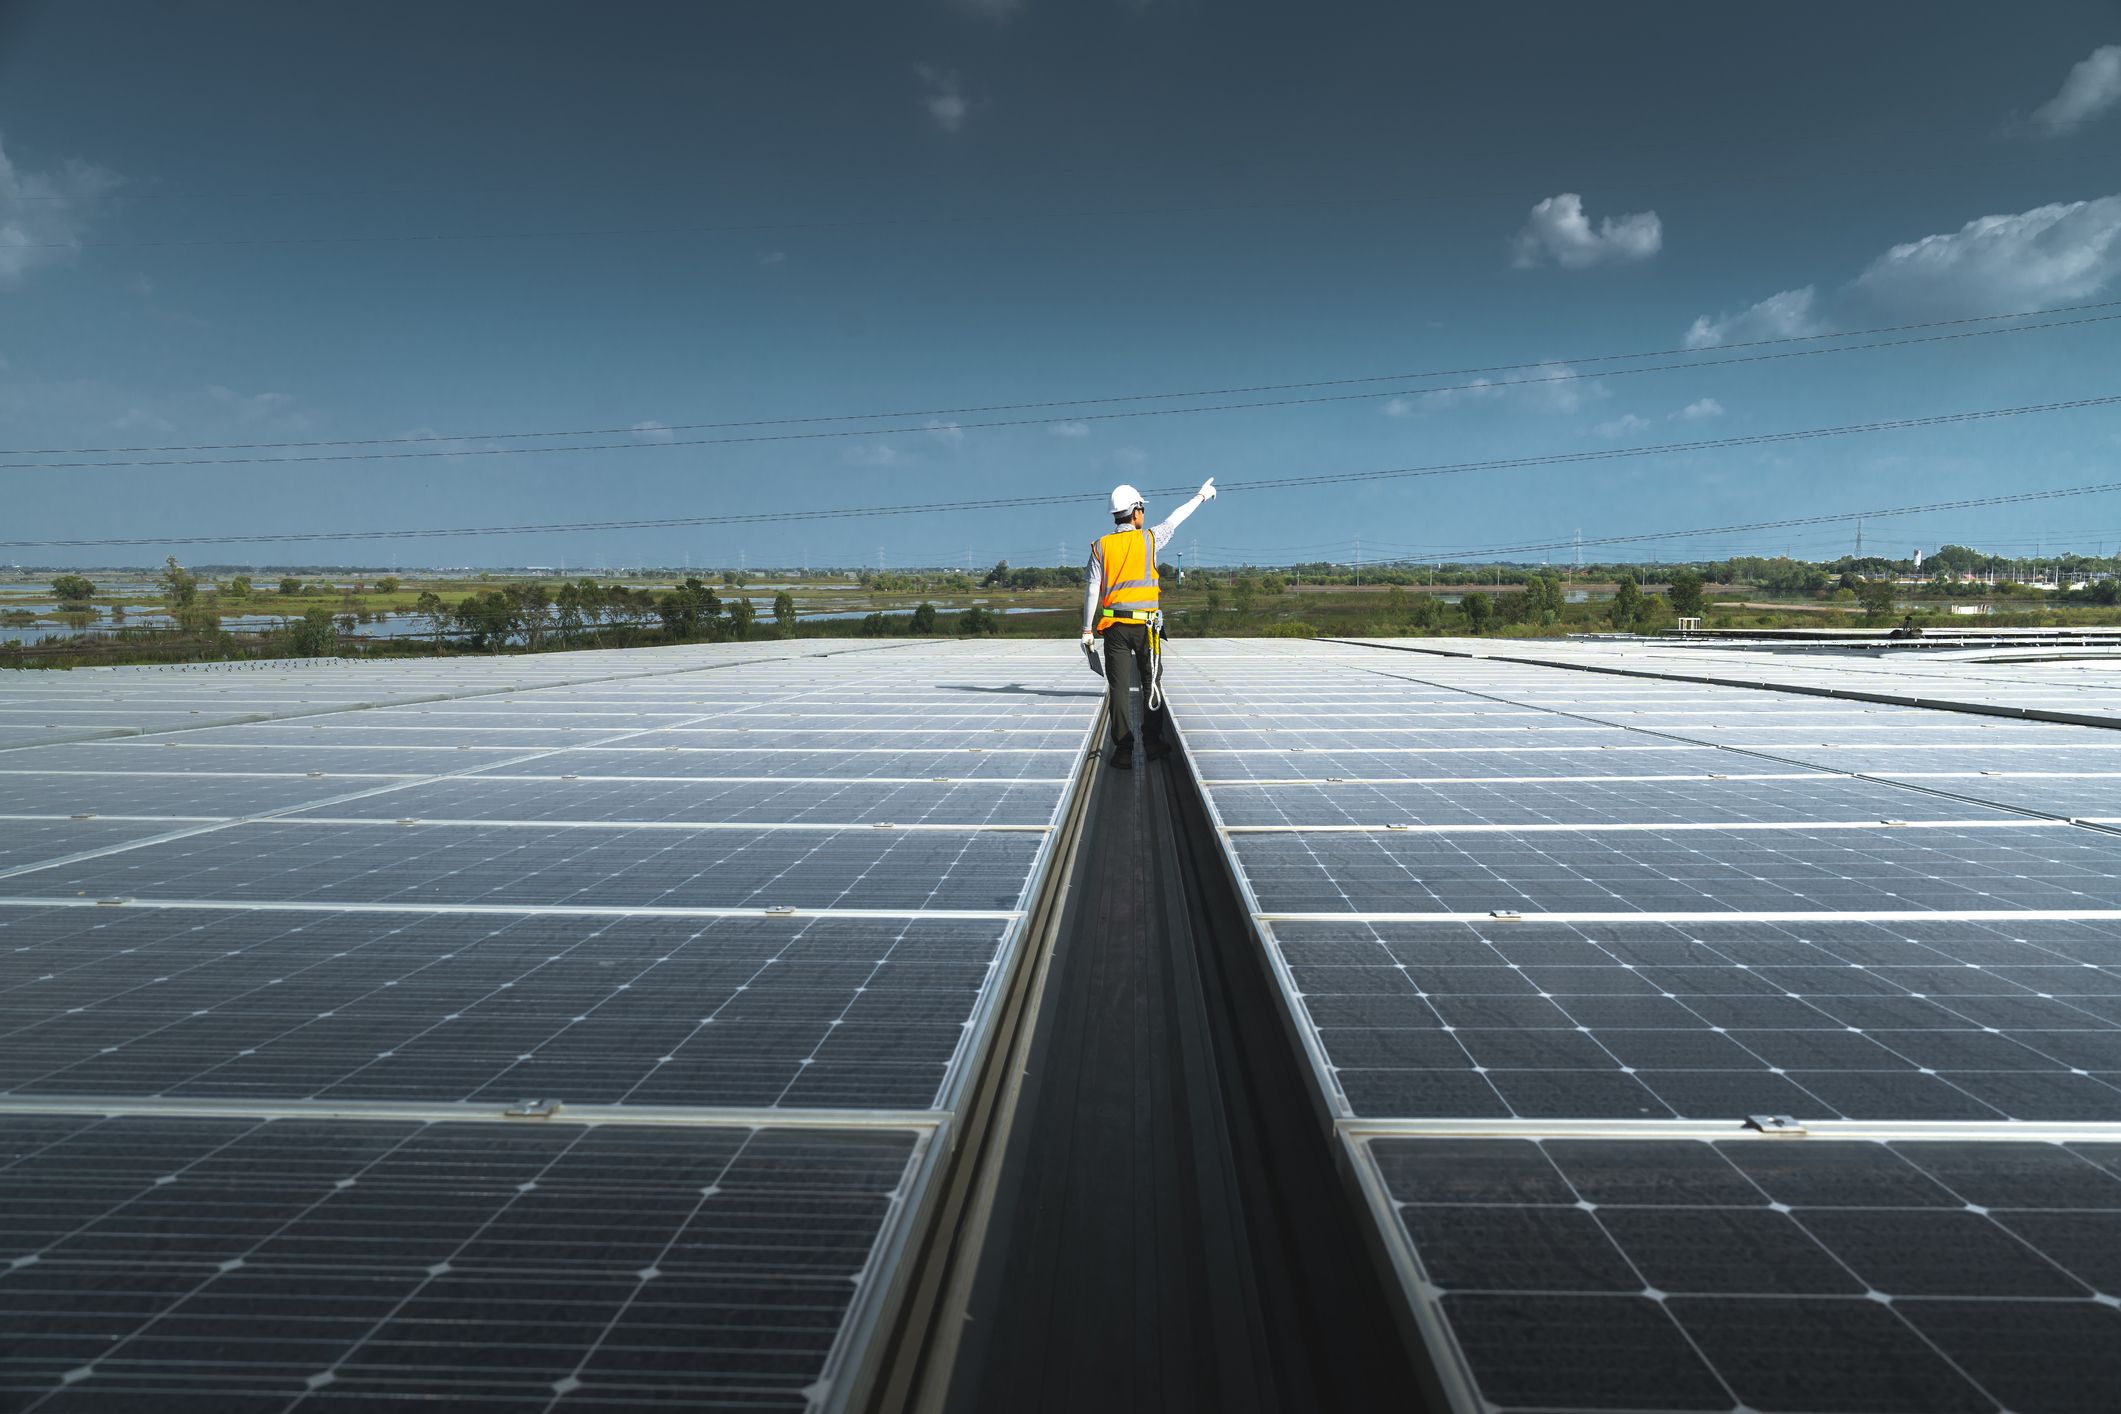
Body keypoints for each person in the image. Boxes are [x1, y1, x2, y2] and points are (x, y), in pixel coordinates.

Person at [1081, 478, 1218, 768]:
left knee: (1117, 689)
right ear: (1136, 511)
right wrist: (1201, 496)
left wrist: (1086, 630)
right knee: (1150, 684)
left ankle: (1122, 751)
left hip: (1114, 629)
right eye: (1142, 509)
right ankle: (1153, 743)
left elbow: (1093, 588)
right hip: (1147, 629)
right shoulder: (1150, 539)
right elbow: (1175, 519)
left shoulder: (1099, 547)